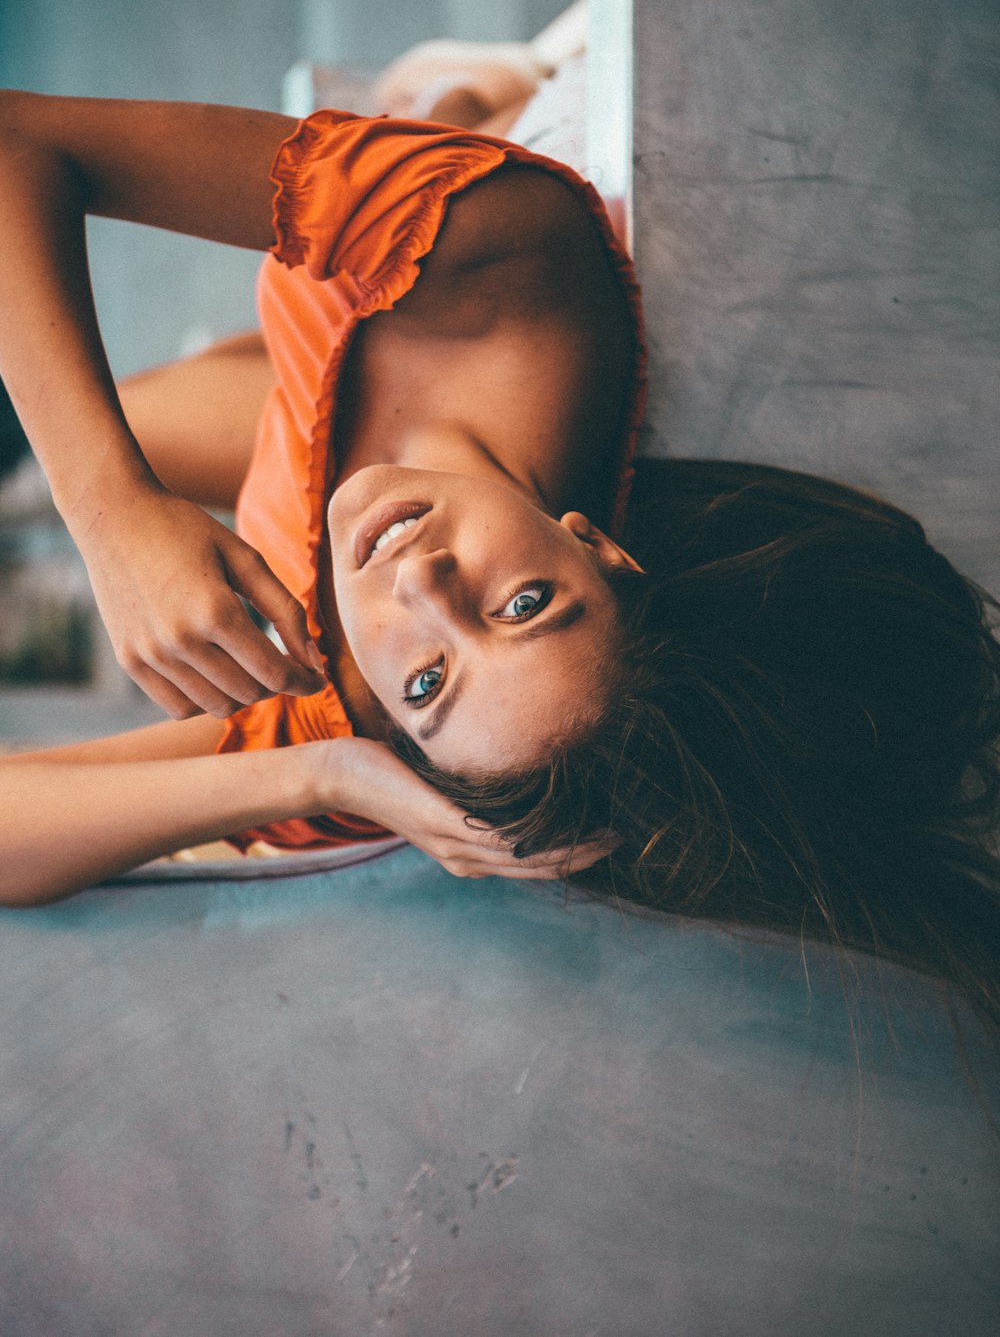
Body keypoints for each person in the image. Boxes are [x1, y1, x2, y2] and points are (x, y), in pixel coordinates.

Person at [0, 83, 999, 1046]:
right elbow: (16, 140)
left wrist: (315, 773)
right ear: (600, 545)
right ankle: (471, 100)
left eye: (432, 679)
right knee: (92, 438)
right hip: (397, 297)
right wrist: (113, 515)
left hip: (306, 437)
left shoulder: (357, 711)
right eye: (525, 604)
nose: (420, 588)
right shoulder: (501, 255)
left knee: (77, 424)